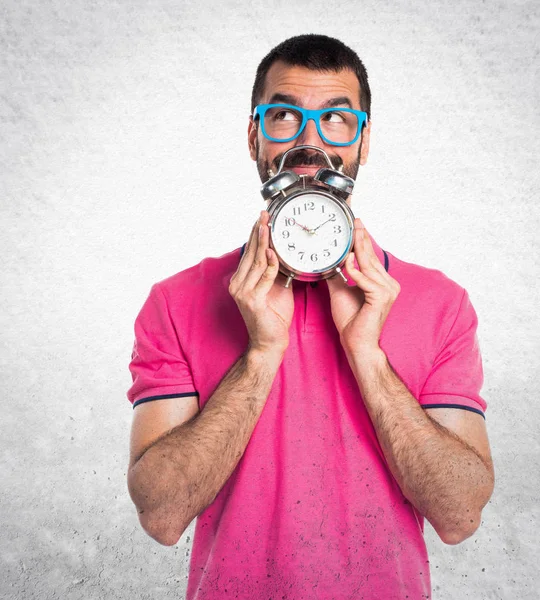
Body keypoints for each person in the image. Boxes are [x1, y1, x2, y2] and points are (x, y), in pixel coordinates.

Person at [126, 34, 494, 600]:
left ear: (363, 141)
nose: (309, 141)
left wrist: (368, 356)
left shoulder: (441, 304)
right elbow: (161, 516)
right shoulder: (176, 302)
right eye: (283, 116)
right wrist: (259, 356)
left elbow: (460, 515)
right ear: (254, 135)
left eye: (337, 121)